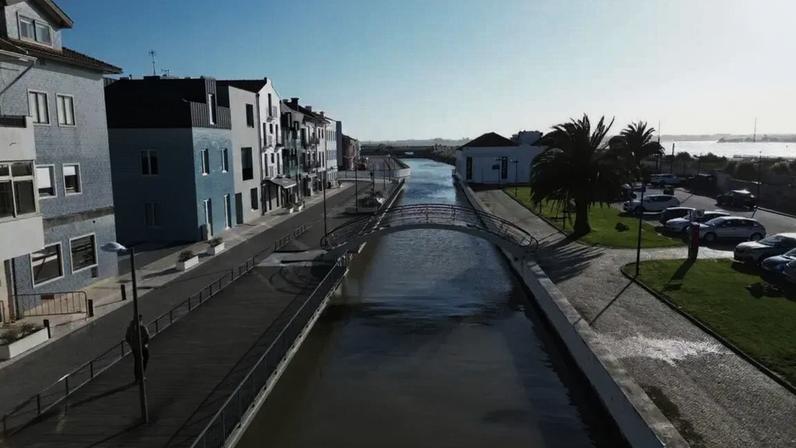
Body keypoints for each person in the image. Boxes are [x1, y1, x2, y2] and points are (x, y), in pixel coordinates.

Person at [125, 314, 150, 382]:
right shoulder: (142, 327)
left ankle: (137, 377)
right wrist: (145, 344)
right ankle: (141, 375)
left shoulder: (130, 327)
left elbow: (127, 338)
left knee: (137, 361)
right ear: (140, 319)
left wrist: (131, 344)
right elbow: (147, 336)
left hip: (134, 348)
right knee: (145, 358)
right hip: (142, 347)